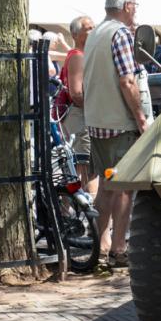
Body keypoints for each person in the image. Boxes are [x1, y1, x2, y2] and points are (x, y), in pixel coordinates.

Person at [83, 0, 145, 271]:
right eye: (135, 5)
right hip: (118, 125)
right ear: (128, 6)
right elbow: (127, 81)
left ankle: (100, 245)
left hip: (96, 124)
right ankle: (120, 248)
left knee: (106, 186)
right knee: (123, 189)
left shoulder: (95, 32)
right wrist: (141, 117)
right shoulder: (120, 33)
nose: (136, 10)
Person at [57, 16, 94, 194]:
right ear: (75, 34)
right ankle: (89, 214)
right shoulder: (78, 57)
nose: (93, 30)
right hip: (80, 117)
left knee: (77, 169)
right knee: (85, 169)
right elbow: (77, 93)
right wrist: (96, 109)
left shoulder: (81, 55)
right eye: (88, 28)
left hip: (80, 116)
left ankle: (72, 211)